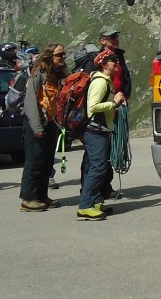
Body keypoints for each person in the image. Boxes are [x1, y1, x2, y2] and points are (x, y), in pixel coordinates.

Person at [18, 43, 67, 212]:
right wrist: (37, 127)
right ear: (49, 56)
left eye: (64, 54)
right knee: (35, 161)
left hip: (50, 123)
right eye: (59, 55)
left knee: (47, 161)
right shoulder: (38, 73)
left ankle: (41, 196)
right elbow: (30, 101)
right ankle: (28, 199)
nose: (63, 57)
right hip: (37, 123)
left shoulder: (57, 74)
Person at [78, 50, 125, 220]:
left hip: (99, 130)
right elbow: (92, 107)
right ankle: (85, 206)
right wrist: (114, 103)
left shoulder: (104, 81)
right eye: (113, 61)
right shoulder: (100, 82)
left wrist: (114, 107)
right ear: (104, 65)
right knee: (98, 168)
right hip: (96, 131)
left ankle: (95, 201)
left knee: (94, 167)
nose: (116, 63)